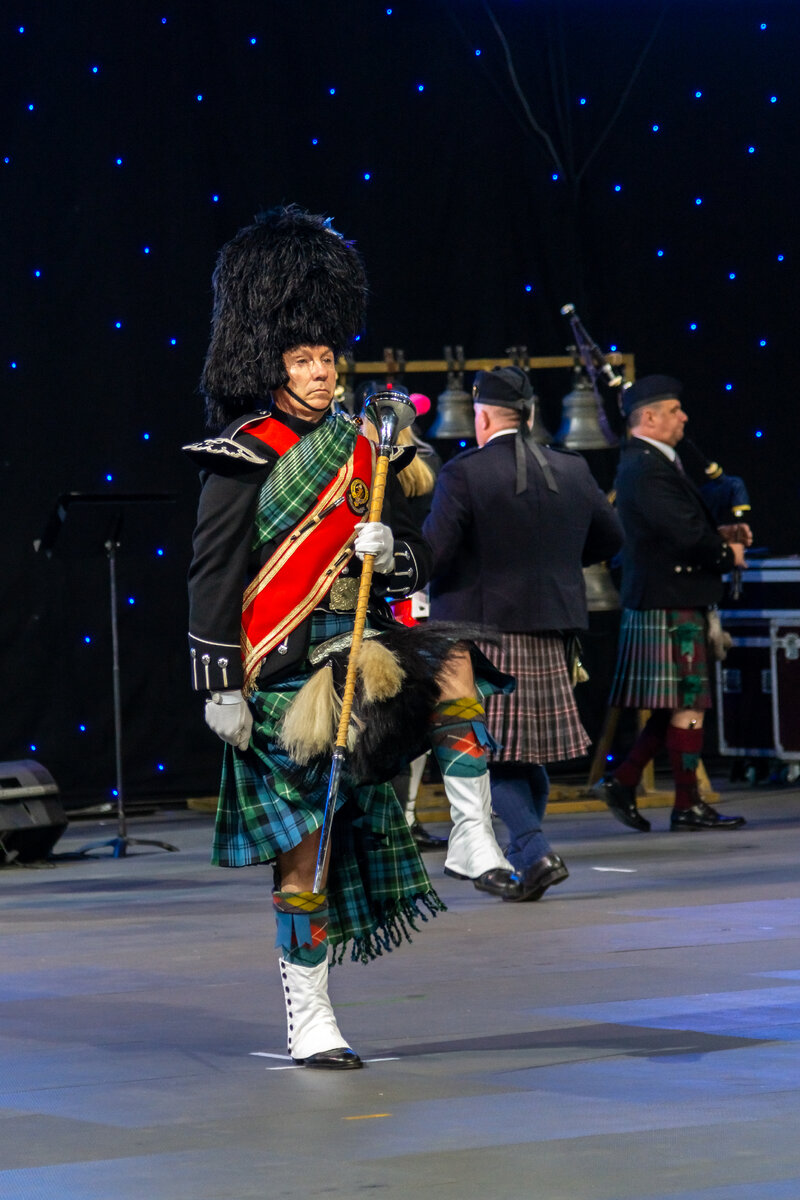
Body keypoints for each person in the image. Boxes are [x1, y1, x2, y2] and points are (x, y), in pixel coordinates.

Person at [185, 206, 520, 1071]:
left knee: (453, 661)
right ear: (271, 366)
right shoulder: (241, 454)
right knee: (307, 859)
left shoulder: (371, 443)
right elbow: (214, 572)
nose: (324, 371)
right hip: (284, 670)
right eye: (304, 358)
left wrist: (391, 549)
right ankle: (311, 1015)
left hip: (364, 648)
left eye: (329, 355)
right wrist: (218, 683)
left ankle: (476, 832)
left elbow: (410, 557)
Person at [423, 366, 624, 900]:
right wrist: (557, 564)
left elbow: (435, 556)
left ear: (482, 416)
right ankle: (528, 863)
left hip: (480, 634)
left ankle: (533, 850)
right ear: (530, 415)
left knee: (497, 752)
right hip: (551, 628)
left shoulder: (464, 473)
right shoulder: (574, 468)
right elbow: (611, 538)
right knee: (522, 751)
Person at [600, 374, 750, 832]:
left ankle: (623, 781)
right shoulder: (645, 466)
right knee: (689, 703)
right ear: (649, 417)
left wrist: (718, 536)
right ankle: (686, 804)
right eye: (673, 410)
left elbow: (678, 528)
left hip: (672, 596)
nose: (683, 416)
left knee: (674, 705)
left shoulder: (652, 461)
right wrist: (728, 553)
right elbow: (681, 534)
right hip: (668, 598)